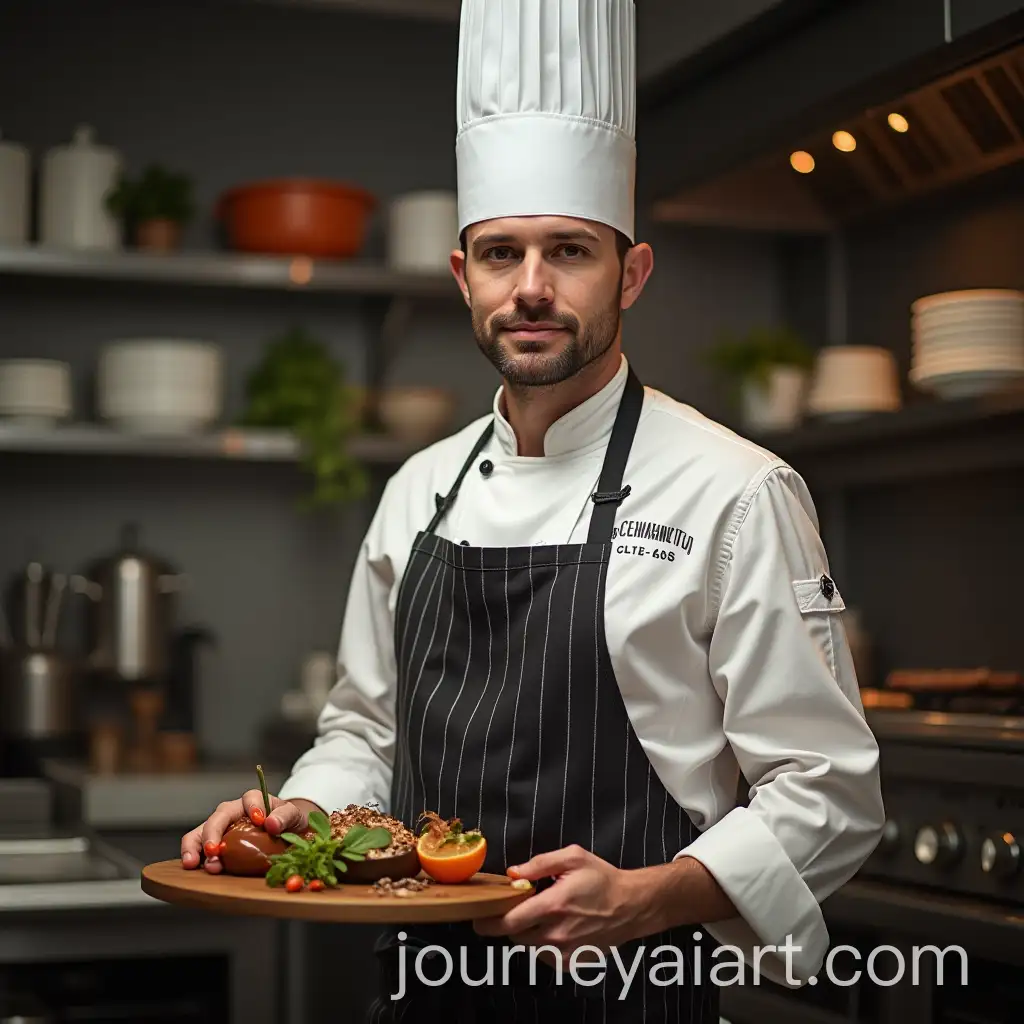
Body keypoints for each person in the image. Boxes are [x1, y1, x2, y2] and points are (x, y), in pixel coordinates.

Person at [182, 1, 885, 1019]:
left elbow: (825, 789)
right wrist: (304, 810)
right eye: (503, 254)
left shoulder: (734, 489)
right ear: (463, 276)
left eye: (570, 250)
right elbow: (365, 732)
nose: (533, 288)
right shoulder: (420, 489)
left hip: (633, 990)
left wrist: (646, 899)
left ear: (631, 273)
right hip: (425, 989)